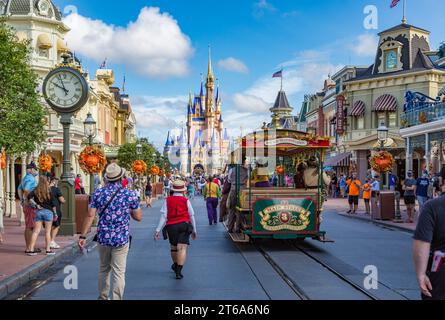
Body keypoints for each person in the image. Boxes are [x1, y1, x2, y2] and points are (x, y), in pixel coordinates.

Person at [78, 163, 142, 300]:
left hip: (103, 237)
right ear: (121, 178)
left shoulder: (98, 193)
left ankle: (103, 297)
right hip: (121, 238)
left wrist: (82, 236)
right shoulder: (129, 194)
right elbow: (138, 217)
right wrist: (128, 210)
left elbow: (90, 215)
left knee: (104, 269)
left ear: (107, 178)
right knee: (119, 272)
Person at [154, 180, 197, 280]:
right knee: (182, 248)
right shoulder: (186, 200)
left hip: (171, 226)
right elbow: (192, 215)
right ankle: (178, 271)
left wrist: (157, 230)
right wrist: (194, 230)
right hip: (184, 225)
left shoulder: (167, 200)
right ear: (183, 190)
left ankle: (175, 264)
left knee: (173, 247)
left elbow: (164, 216)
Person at [412, 170, 445, 300]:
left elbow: (421, 244)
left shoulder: (432, 207)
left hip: (440, 272)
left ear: (441, 180)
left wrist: (421, 274)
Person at [27, 176, 58, 256]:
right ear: (46, 181)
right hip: (48, 212)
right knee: (47, 232)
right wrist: (55, 214)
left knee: (36, 231)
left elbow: (29, 197)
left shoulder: (36, 190)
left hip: (39, 211)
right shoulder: (49, 191)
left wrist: (36, 205)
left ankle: (31, 250)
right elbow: (53, 204)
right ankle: (48, 250)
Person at [19, 162, 39, 254]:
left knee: (29, 226)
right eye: (35, 169)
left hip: (26, 205)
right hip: (30, 206)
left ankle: (30, 246)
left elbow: (19, 189)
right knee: (30, 226)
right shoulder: (30, 179)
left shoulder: (25, 178)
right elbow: (26, 190)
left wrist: (22, 201)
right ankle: (29, 248)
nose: (36, 171)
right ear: (31, 169)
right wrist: (31, 201)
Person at [49, 177, 65, 249]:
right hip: (55, 209)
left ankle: (49, 242)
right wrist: (64, 200)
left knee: (49, 227)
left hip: (46, 209)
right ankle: (52, 241)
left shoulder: (44, 189)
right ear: (53, 181)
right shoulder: (56, 189)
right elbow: (62, 200)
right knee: (56, 225)